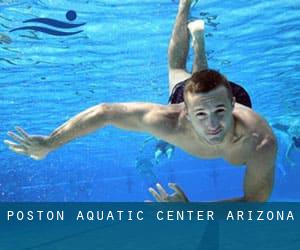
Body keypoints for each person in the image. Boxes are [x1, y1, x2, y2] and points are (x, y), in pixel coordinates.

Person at [4, 0, 277, 202]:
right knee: (177, 71)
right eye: (201, 115)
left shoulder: (260, 140)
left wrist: (192, 210)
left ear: (232, 105)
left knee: (187, 75)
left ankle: (199, 43)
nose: (214, 124)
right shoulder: (170, 120)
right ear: (184, 110)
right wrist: (50, 142)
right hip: (202, 96)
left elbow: (254, 202)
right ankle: (185, 6)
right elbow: (105, 112)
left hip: (224, 99)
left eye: (220, 111)